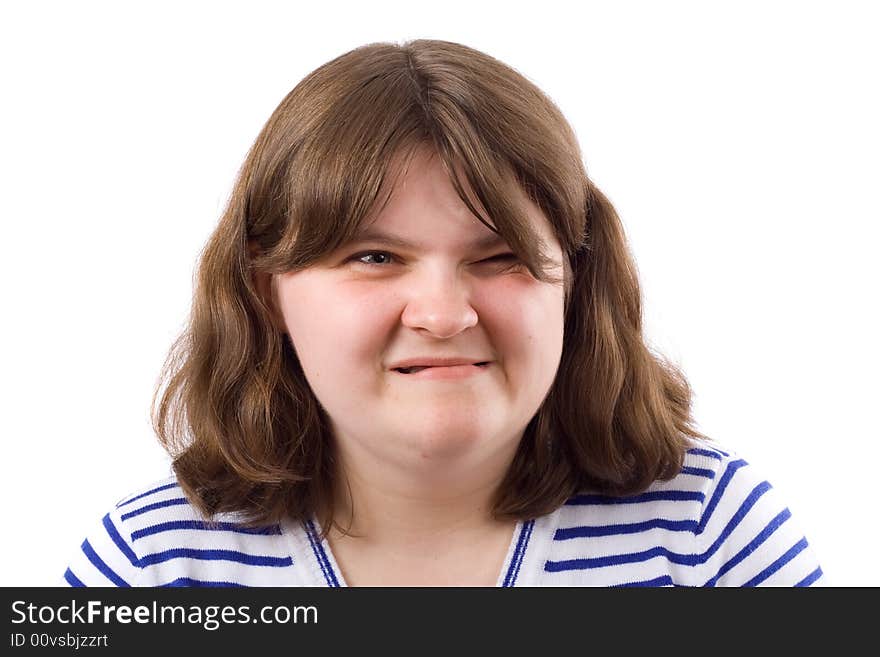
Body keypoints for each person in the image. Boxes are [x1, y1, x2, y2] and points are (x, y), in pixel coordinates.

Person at [62, 39, 824, 587]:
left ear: (573, 282)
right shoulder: (150, 565)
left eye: (499, 257)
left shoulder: (710, 532)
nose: (443, 313)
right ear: (269, 294)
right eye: (374, 257)